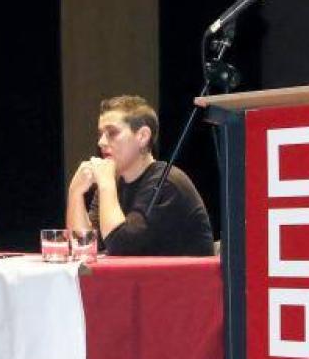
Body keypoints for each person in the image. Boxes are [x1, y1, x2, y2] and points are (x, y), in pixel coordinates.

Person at [66, 95, 214, 257]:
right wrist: (75, 192)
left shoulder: (166, 182)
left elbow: (121, 245)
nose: (101, 142)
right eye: (101, 134)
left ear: (142, 136)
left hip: (185, 281)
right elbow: (84, 247)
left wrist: (106, 184)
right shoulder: (111, 183)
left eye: (112, 133)